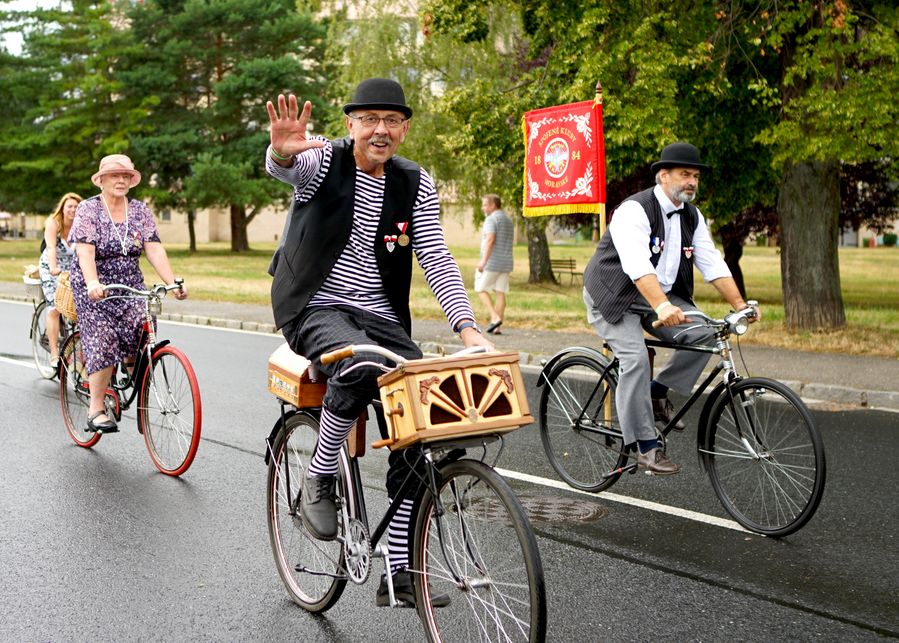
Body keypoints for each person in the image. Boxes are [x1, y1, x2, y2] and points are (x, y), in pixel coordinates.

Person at [265, 78, 493, 607]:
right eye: (369, 119)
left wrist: (469, 330)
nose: (380, 130)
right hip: (314, 306)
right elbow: (288, 166)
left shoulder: (414, 181)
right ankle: (319, 477)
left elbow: (435, 256)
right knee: (360, 364)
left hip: (382, 317)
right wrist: (280, 152)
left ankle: (399, 571)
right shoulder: (324, 160)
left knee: (424, 413)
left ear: (405, 129)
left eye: (391, 120)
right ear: (351, 125)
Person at [582, 142, 760, 474]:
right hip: (614, 294)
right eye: (685, 174)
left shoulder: (692, 215)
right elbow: (637, 266)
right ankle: (645, 447)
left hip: (659, 295)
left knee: (707, 333)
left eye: (696, 176)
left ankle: (656, 392)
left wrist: (740, 304)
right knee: (635, 359)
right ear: (663, 176)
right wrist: (662, 305)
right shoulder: (634, 211)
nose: (692, 181)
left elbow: (712, 262)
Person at [69, 154, 187, 434]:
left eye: (126, 175)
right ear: (101, 180)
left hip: (130, 282)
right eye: (115, 175)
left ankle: (132, 365)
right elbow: (85, 252)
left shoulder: (140, 210)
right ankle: (96, 409)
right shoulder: (88, 209)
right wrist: (92, 283)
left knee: (143, 322)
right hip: (94, 284)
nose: (121, 180)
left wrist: (173, 281)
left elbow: (154, 249)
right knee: (104, 337)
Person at [38, 192, 83, 367]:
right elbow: (51, 248)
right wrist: (53, 268)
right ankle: (54, 355)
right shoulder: (54, 223)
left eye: (77, 206)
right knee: (55, 308)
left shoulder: (82, 225)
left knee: (83, 309)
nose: (73, 209)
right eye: (69, 206)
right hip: (52, 268)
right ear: (63, 208)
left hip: (72, 270)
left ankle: (79, 351)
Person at [475, 194, 513, 334]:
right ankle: (496, 327)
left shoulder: (491, 219)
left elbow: (490, 239)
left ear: (492, 205)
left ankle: (495, 317)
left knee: (480, 289)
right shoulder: (508, 220)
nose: (482, 208)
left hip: (492, 262)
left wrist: (483, 261)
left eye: (485, 205)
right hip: (506, 262)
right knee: (500, 292)